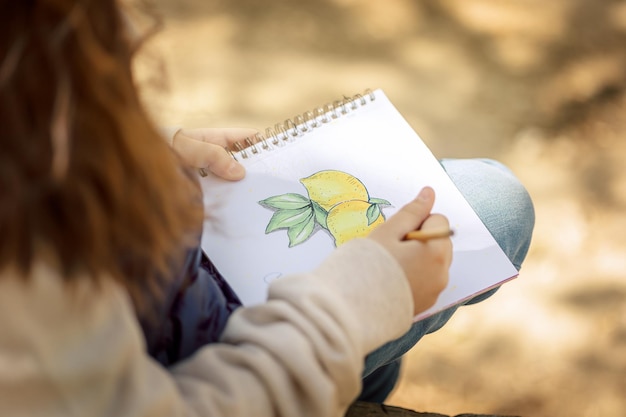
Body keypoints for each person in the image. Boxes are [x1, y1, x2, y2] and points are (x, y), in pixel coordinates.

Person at [0, 2, 534, 417]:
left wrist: (136, 149)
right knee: (495, 205)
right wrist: (354, 308)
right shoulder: (24, 306)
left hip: (170, 279)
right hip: (216, 350)